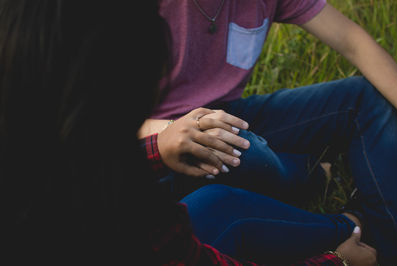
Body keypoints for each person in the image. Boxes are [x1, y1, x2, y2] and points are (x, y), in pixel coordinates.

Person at [0, 0, 377, 265]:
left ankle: (343, 208)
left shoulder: (47, 145)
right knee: (234, 157)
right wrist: (336, 261)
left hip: (205, 131)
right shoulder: (129, 212)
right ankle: (355, 223)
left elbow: (95, 154)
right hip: (182, 146)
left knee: (220, 196)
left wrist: (157, 146)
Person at [137, 0, 397, 264]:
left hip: (234, 116)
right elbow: (103, 124)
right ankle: (318, 185)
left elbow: (351, 40)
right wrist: (173, 130)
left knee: (361, 97)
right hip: (165, 144)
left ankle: (384, 240)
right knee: (228, 152)